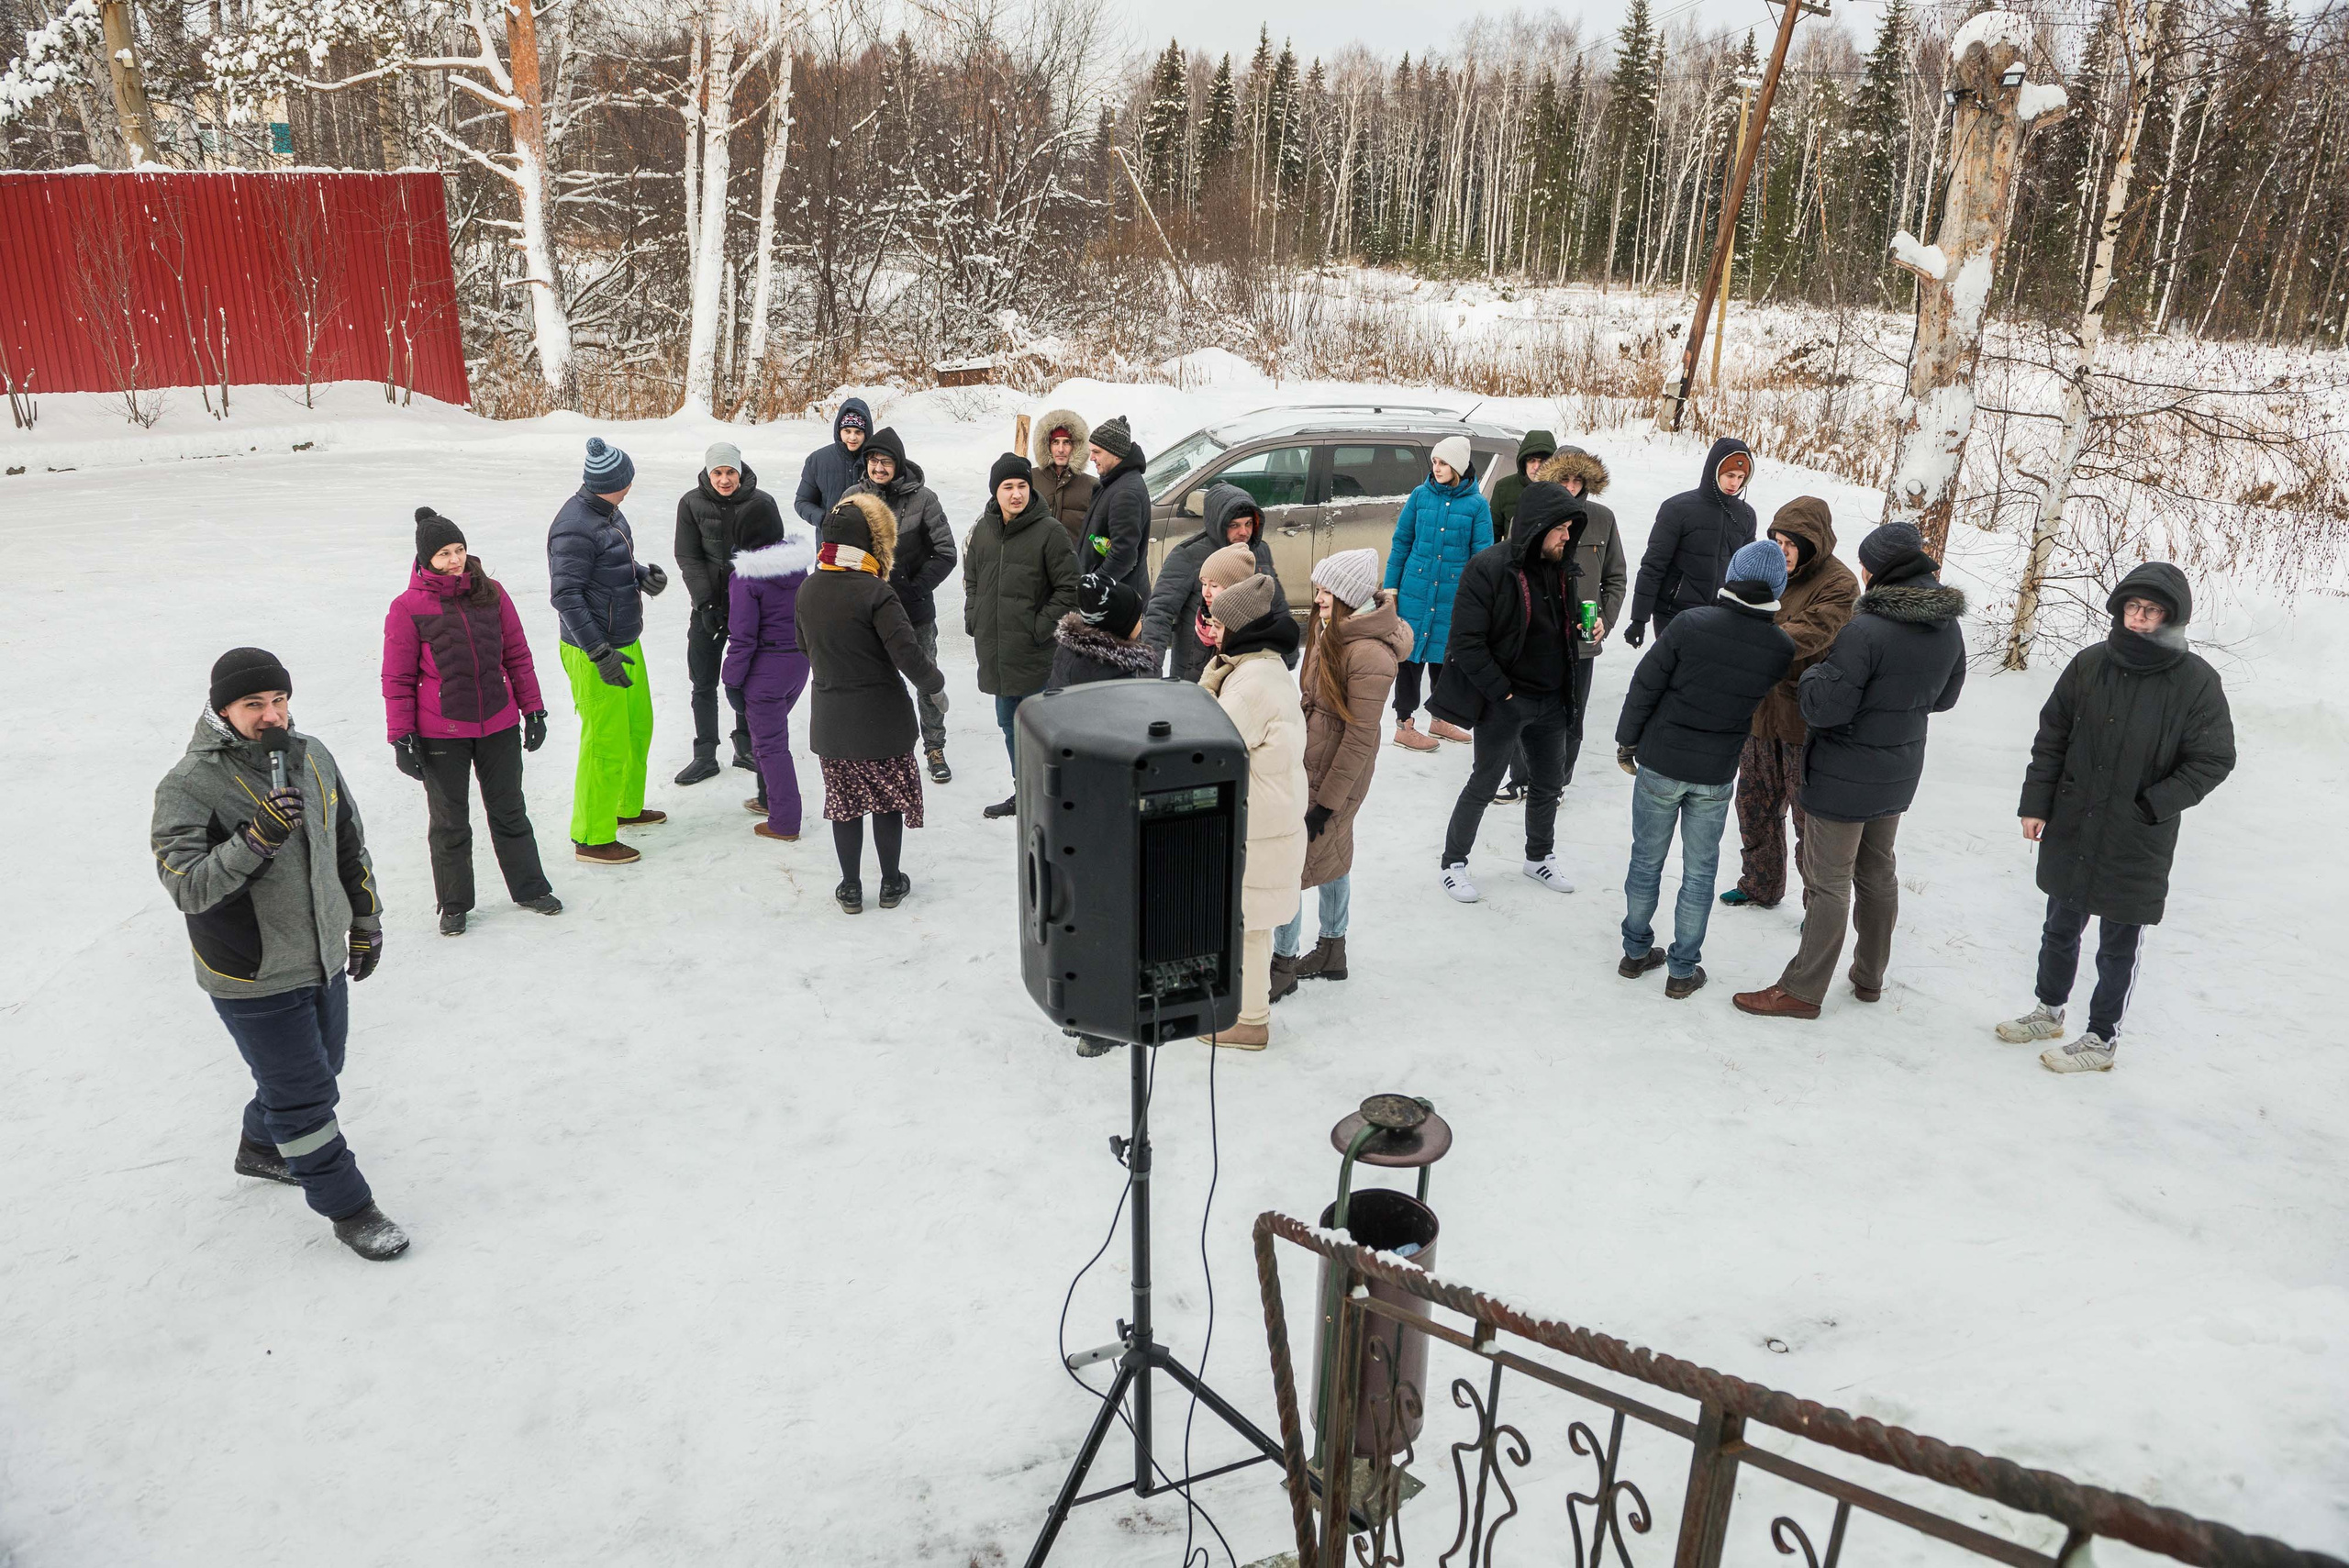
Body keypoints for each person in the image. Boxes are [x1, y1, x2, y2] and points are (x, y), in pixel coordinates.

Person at [150, 648, 406, 1262]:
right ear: (223, 711)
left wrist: (365, 920)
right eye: (254, 704)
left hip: (320, 957)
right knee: (304, 1099)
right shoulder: (190, 784)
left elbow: (348, 843)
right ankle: (351, 1209)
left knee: (323, 1066)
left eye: (279, 700)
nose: (272, 715)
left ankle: (261, 1147)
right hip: (252, 971)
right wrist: (255, 840)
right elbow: (187, 887)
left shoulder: (312, 755)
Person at [2000, 563, 2236, 1073]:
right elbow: (2052, 737)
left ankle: (2101, 1038)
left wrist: (2153, 804)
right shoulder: (2089, 664)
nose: (2139, 617)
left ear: (2171, 617)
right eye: (2132, 606)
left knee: (2117, 945)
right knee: (2059, 926)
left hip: (2136, 834)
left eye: (2151, 610)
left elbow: (2214, 758)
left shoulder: (2195, 681)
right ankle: (2048, 1010)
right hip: (2074, 820)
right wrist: (2036, 803)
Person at [1733, 523, 1966, 1019]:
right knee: (1878, 872)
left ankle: (1802, 990)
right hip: (1899, 770)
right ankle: (1869, 977)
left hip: (1843, 773)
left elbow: (1825, 708)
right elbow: (1945, 697)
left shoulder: (1865, 630)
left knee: (1828, 883)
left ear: (1878, 569)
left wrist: (1815, 675)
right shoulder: (1947, 625)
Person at [1612, 541, 1796, 999]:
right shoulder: (1779, 648)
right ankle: (1682, 971)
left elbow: (1646, 684)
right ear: (1777, 589)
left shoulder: (1690, 623)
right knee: (1699, 872)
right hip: (1714, 773)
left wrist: (1627, 740)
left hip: (1662, 760)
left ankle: (1635, 953)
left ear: (1732, 575)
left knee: (1646, 859)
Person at [382, 506, 560, 936]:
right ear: (426, 559)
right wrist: (401, 736)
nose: (455, 560)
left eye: (459, 549)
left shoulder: (491, 593)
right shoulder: (408, 607)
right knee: (450, 821)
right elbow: (397, 678)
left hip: (499, 722)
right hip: (441, 732)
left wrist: (533, 709)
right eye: (443, 553)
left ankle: (531, 889)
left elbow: (517, 654)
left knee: (510, 810)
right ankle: (454, 903)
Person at [1427, 482, 1583, 902]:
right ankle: (1453, 864)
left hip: (1551, 698)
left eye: (1569, 528)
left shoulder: (1561, 567)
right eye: (1560, 528)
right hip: (1505, 700)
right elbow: (1466, 643)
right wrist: (1505, 696)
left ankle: (1539, 857)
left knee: (1548, 784)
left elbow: (1557, 628)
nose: (1566, 536)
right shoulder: (1488, 568)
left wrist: (1585, 628)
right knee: (1484, 783)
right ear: (1538, 526)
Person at [796, 493, 946, 913]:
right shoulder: (876, 592)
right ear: (871, 543)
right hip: (883, 720)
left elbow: (802, 646)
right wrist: (934, 685)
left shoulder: (807, 589)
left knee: (844, 806)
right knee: (886, 802)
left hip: (832, 721)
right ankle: (891, 882)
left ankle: (850, 887)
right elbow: (908, 654)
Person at [1272, 549, 1411, 1000]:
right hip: (1310, 762)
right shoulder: (1330, 630)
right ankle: (1333, 951)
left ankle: (1283, 964)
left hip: (1336, 775)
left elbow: (1359, 739)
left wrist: (1327, 803)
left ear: (1350, 596)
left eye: (1327, 591)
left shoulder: (1370, 654)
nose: (1318, 598)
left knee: (1294, 864)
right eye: (1318, 589)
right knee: (1332, 854)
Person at [1722, 497, 1857, 909]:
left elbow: (1812, 631)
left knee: (1808, 820)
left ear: (1813, 544)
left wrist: (1752, 640)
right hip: (1760, 713)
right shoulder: (1768, 571)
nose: (1781, 551)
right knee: (1754, 806)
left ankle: (1818, 907)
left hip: (1804, 719)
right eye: (1777, 541)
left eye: (1791, 544)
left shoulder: (1839, 583)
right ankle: (1759, 884)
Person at [1197, 573, 1308, 1051]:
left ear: (1241, 628)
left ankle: (1249, 1022)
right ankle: (1242, 1011)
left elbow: (1207, 741)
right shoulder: (1261, 667)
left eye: (1220, 624)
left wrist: (1207, 685)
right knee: (1248, 923)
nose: (1213, 630)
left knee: (1249, 926)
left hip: (1259, 826)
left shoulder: (1253, 682)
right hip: (1268, 820)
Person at [550, 437, 668, 865]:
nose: (632, 484)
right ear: (616, 482)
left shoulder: (609, 512)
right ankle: (592, 836)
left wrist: (641, 576)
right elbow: (566, 596)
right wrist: (600, 654)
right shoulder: (573, 527)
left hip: (625, 640)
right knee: (605, 741)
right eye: (628, 478)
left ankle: (624, 806)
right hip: (593, 650)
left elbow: (608, 565)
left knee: (638, 728)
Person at [1494, 443, 1627, 802]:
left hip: (1581, 639)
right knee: (1526, 709)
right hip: (1536, 634)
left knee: (1571, 712)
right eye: (1564, 479)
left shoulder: (1603, 518)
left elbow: (1615, 577)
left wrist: (1605, 620)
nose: (1570, 486)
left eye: (1577, 480)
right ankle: (1520, 778)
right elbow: (1510, 571)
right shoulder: (1529, 514)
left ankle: (1556, 783)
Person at [965, 451, 1082, 818]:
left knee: (1042, 730)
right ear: (995, 492)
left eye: (1022, 486)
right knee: (1010, 726)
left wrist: (1039, 627)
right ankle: (1025, 793)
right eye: (1007, 487)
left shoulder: (1049, 532)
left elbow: (1070, 588)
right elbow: (972, 580)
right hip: (997, 652)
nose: (1016, 494)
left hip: (1035, 653)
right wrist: (974, 617)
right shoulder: (983, 530)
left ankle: (1054, 798)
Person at [846, 426, 958, 784]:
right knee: (876, 682)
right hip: (869, 614)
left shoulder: (923, 499)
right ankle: (882, 748)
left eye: (887, 461)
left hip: (915, 611)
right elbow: (837, 552)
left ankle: (935, 747)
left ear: (899, 464)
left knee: (926, 679)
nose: (879, 468)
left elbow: (946, 552)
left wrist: (915, 588)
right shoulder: (852, 498)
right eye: (874, 460)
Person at [673, 440, 780, 786]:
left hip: (750, 608)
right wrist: (705, 603)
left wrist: (758, 604)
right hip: (707, 607)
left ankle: (745, 746)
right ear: (707, 473)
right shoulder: (691, 503)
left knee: (748, 677)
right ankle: (705, 754)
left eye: (730, 472)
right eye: (717, 472)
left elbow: (771, 556)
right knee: (703, 680)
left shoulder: (762, 503)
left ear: (740, 471)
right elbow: (688, 556)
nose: (724, 479)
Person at [1384, 435, 1493, 751]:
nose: (1437, 467)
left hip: (1453, 595)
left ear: (1458, 466)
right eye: (1435, 461)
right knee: (1410, 656)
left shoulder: (1477, 505)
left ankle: (1441, 718)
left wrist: (1479, 599)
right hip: (1415, 590)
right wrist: (1391, 588)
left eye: (1444, 462)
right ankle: (1404, 724)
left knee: (1445, 657)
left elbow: (1482, 557)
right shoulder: (1420, 496)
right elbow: (1402, 543)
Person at [723, 506, 818, 843]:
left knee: (771, 746)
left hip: (765, 671)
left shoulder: (747, 577)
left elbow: (742, 637)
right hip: (797, 665)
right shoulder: (797, 568)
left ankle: (785, 821)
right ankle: (769, 800)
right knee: (769, 738)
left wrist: (731, 680)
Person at [1140, 481, 1293, 681]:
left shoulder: (1259, 551)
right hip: (1196, 669)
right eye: (1234, 525)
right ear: (1218, 523)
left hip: (1244, 665)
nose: (1244, 532)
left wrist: (1288, 653)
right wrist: (1150, 671)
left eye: (1248, 524)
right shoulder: (1188, 555)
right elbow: (1160, 613)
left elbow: (1276, 604)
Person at [1623, 437, 1755, 647]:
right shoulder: (1678, 509)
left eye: (1741, 477)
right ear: (1714, 471)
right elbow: (1654, 565)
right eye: (1729, 475)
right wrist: (1639, 619)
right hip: (1674, 613)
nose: (1735, 483)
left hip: (1721, 615)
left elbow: (1746, 571)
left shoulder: (1746, 515)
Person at [1078, 414, 1152, 601]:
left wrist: (1094, 586)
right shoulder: (1114, 482)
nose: (1092, 458)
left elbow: (1123, 555)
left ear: (1116, 454)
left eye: (1097, 452)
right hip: (1112, 596)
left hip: (1116, 601)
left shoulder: (1125, 493)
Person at [1049, 573, 1157, 686]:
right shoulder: (1117, 671)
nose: (1141, 623)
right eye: (1139, 618)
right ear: (1122, 628)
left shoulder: (1068, 651)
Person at [794, 397, 873, 526]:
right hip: (829, 536)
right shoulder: (817, 460)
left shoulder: (876, 460)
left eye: (858, 432)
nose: (852, 437)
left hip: (868, 536)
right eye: (847, 431)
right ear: (839, 430)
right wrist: (825, 520)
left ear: (866, 433)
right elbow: (802, 502)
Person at [1030, 409, 1098, 550]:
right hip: (1035, 560)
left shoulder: (1092, 486)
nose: (1061, 449)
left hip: (1073, 560)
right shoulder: (1030, 479)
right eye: (1055, 442)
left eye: (1066, 442)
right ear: (1046, 445)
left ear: (1076, 446)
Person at [1489, 428, 1555, 539]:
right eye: (1531, 460)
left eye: (1543, 461)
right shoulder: (1504, 488)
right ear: (1523, 462)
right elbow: (1492, 534)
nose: (1536, 467)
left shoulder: (1560, 489)